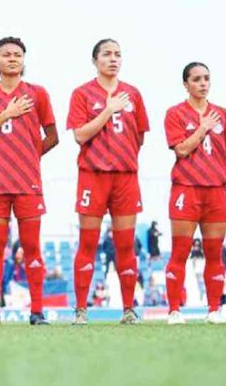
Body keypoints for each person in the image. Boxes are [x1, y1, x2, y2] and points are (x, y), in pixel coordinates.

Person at [0, 37, 58, 326]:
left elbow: (53, 136)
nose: (12, 58)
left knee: (32, 246)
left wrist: (30, 157)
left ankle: (38, 311)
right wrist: (5, 114)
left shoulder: (38, 94)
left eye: (17, 54)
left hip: (28, 183)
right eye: (5, 54)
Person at [69, 39, 149, 324]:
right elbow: (80, 135)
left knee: (126, 245)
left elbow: (139, 136)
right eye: (107, 54)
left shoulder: (133, 94)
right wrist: (108, 110)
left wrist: (121, 156)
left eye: (117, 54)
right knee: (87, 243)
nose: (113, 59)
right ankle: (81, 310)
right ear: (95, 61)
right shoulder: (82, 94)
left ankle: (128, 310)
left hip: (125, 177)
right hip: (93, 176)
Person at [162, 62, 226, 325]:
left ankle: (214, 310)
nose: (203, 83)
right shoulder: (175, 113)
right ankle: (174, 311)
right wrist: (202, 128)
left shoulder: (223, 114)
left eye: (206, 78)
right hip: (186, 189)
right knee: (180, 252)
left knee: (214, 252)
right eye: (196, 79)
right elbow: (181, 150)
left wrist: (212, 171)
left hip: (216, 190)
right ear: (186, 84)